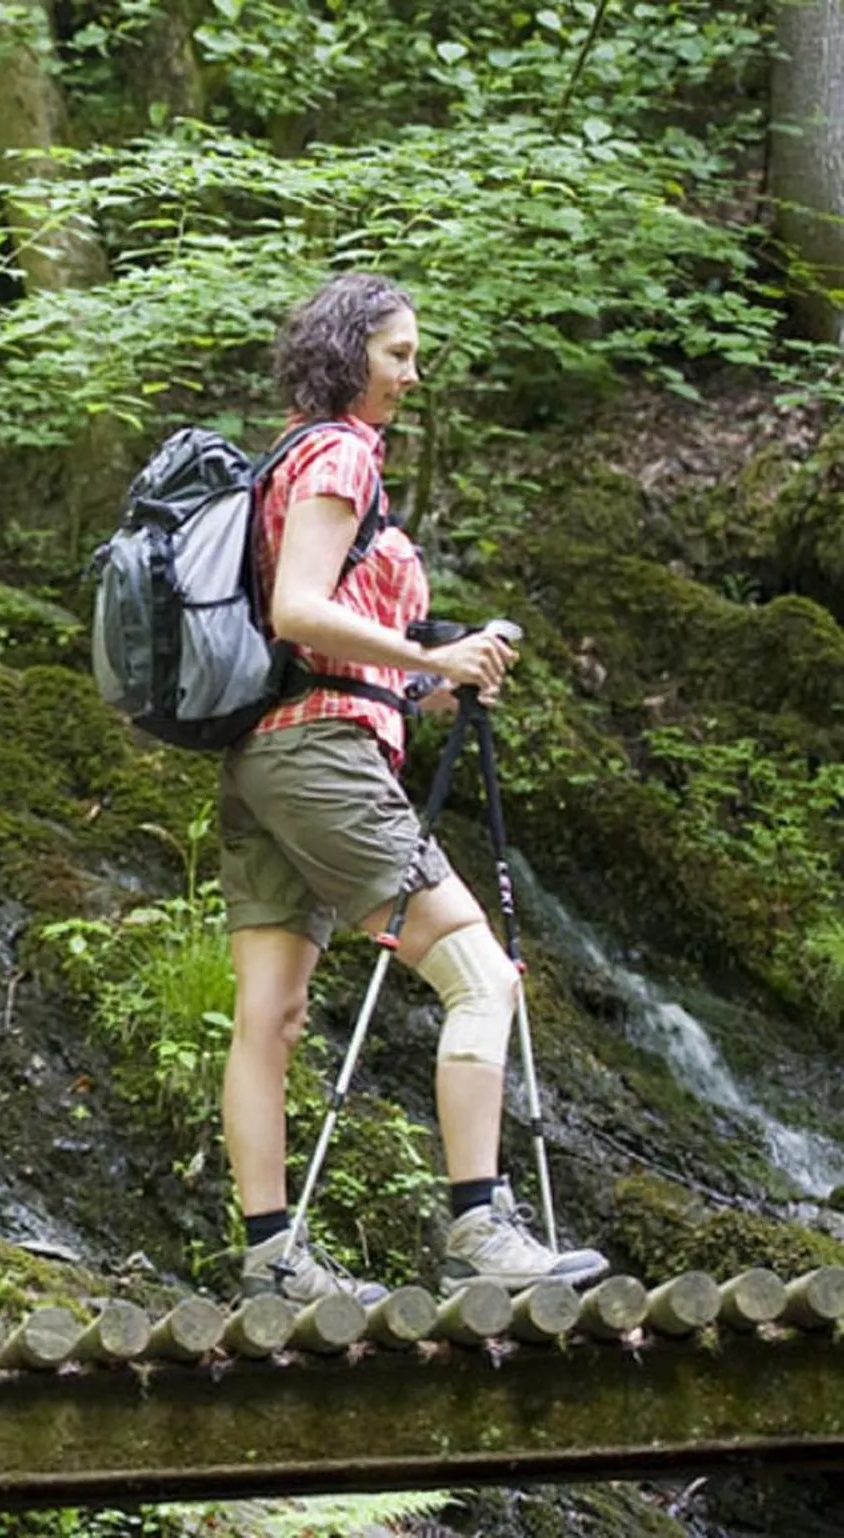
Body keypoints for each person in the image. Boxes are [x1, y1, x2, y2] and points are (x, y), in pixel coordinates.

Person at [220, 274, 609, 1302]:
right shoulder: (341, 453)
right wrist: (431, 657)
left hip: (266, 755)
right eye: (398, 353)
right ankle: (479, 1227)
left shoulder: (285, 458)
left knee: (270, 1014)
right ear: (348, 353)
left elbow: (312, 643)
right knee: (481, 978)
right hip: (321, 757)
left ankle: (271, 1258)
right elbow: (300, 611)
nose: (412, 374)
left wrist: (425, 683)